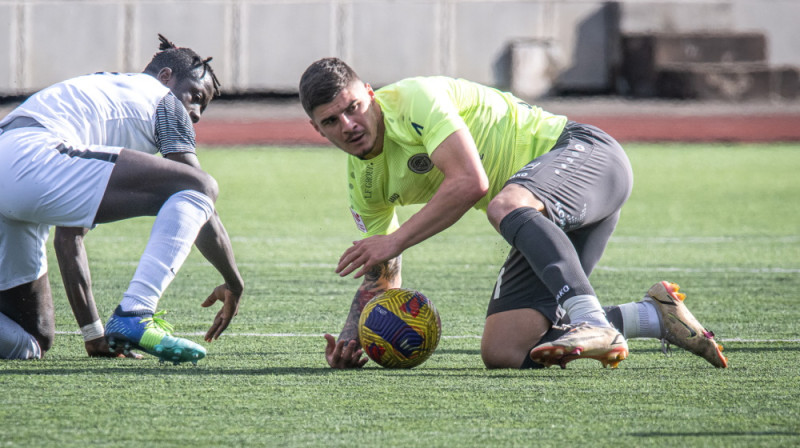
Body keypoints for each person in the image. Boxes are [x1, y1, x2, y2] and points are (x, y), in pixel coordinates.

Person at [298, 57, 727, 370]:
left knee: (504, 203)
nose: (348, 125)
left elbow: (471, 183)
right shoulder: (363, 184)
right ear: (318, 131)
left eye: (352, 107)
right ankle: (652, 315)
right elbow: (384, 272)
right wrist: (354, 338)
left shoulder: (413, 100)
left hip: (585, 156)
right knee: (504, 350)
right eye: (331, 121)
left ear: (369, 95)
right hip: (538, 218)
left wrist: (394, 239)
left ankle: (592, 320)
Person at [0, 35, 244, 364]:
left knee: (32, 338)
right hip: (31, 157)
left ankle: (126, 320)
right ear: (166, 77)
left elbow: (68, 240)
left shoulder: (107, 101)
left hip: (18, 159)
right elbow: (200, 197)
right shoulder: (163, 101)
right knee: (200, 185)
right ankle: (135, 312)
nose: (196, 113)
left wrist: (93, 335)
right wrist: (233, 281)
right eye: (196, 96)